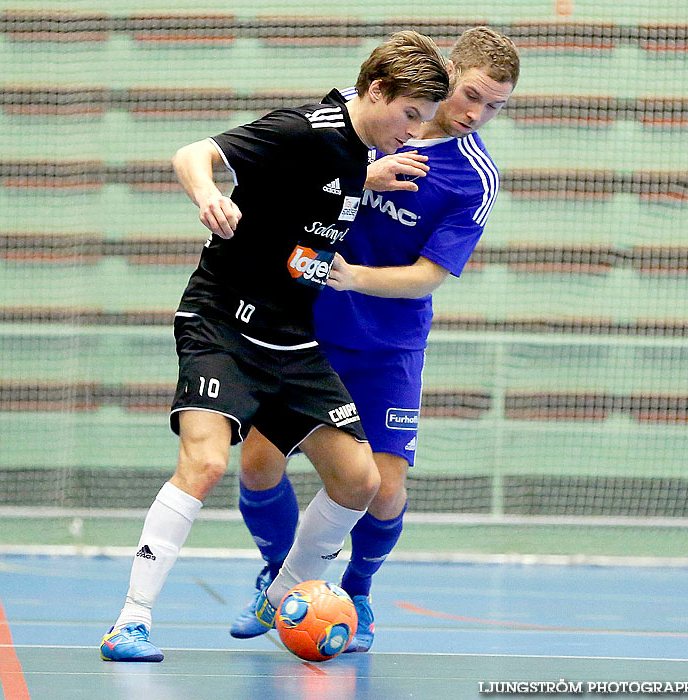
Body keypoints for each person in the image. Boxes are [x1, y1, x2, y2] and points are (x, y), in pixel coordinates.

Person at [99, 30, 450, 663]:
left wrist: (368, 176)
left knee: (360, 480)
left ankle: (283, 595)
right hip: (222, 325)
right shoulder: (300, 131)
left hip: (291, 340)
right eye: (410, 116)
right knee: (205, 463)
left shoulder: (355, 155)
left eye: (425, 121)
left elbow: (321, 189)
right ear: (376, 92)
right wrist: (209, 194)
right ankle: (131, 619)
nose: (417, 132)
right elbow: (192, 153)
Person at [228, 26, 520, 652]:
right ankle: (283, 582)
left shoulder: (473, 178)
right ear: (446, 73)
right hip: (305, 330)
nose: (477, 114)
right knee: (256, 463)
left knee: (385, 489)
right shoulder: (365, 128)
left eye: (495, 105)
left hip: (388, 347)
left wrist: (354, 277)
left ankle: (357, 591)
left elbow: (429, 277)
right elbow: (303, 185)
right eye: (471, 95)